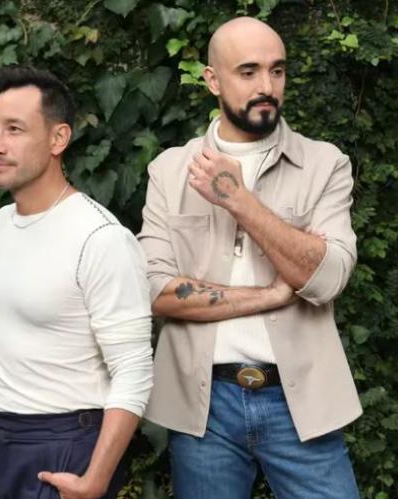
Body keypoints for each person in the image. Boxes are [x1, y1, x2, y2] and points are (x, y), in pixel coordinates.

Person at [137, 17, 362, 498]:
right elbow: (154, 291)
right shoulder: (169, 171)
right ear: (212, 80)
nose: (267, 86)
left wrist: (239, 200)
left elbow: (327, 278)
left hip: (302, 402)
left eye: (277, 70)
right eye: (248, 71)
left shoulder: (324, 164)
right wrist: (270, 294)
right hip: (203, 408)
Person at [0, 66, 153, 499]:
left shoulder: (101, 237)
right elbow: (14, 329)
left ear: (58, 138)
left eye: (14, 130)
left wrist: (95, 480)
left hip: (65, 446)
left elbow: (134, 371)